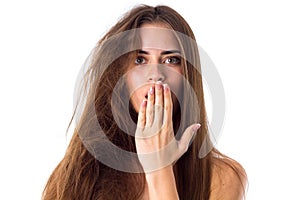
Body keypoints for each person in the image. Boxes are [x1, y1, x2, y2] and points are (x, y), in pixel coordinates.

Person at [43, 4, 247, 200]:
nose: (156, 75)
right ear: (120, 77)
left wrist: (159, 168)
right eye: (140, 60)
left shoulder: (223, 178)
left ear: (188, 77)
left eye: (171, 60)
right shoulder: (77, 175)